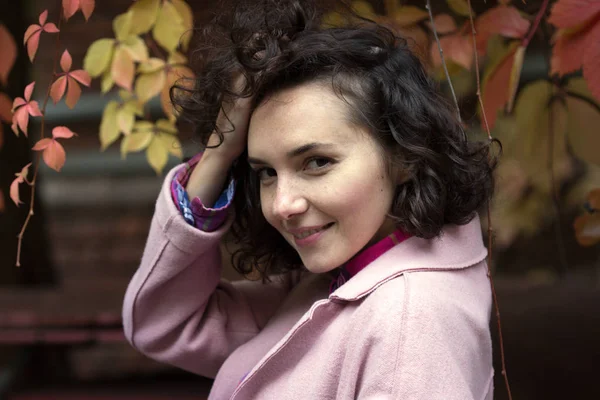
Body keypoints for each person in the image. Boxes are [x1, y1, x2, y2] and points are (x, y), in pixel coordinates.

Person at [122, 0, 496, 398]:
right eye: (266, 172)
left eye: (317, 162)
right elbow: (164, 325)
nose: (282, 205)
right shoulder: (340, 279)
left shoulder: (410, 319)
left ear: (404, 155)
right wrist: (220, 152)